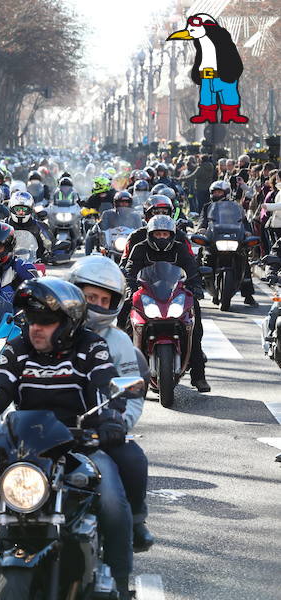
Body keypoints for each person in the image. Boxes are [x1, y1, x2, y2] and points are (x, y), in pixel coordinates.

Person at [0, 277, 134, 599]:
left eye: (46, 322)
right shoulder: (18, 347)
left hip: (80, 442)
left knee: (112, 498)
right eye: (32, 320)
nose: (36, 328)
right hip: (27, 446)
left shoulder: (90, 346)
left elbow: (107, 385)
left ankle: (118, 580)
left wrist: (111, 420)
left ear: (68, 323)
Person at [68, 256, 155, 552]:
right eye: (89, 296)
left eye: (104, 300)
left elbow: (132, 395)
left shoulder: (118, 342)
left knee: (133, 460)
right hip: (48, 426)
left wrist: (118, 423)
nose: (96, 304)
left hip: (100, 430)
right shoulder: (48, 329)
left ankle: (136, 522)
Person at [124, 215, 209, 392]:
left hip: (175, 296)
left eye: (165, 234)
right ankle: (125, 369)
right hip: (147, 295)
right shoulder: (139, 248)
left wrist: (196, 287)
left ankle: (199, 376)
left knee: (195, 327)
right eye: (158, 234)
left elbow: (192, 271)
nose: (162, 238)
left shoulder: (180, 249)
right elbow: (129, 273)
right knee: (125, 317)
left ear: (171, 235)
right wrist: (129, 289)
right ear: (150, 234)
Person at [198, 180, 258, 306]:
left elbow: (243, 221)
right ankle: (195, 288)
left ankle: (248, 295)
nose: (216, 194)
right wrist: (201, 229)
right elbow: (203, 220)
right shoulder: (208, 206)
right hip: (214, 238)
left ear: (226, 193)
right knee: (201, 255)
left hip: (232, 238)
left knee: (244, 261)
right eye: (214, 192)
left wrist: (247, 231)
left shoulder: (235, 206)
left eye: (219, 192)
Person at [6, 191, 52, 261]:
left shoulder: (39, 226)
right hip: (8, 262)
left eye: (24, 209)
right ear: (11, 208)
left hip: (34, 263)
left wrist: (49, 252)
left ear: (30, 210)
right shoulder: (4, 225)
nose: (21, 212)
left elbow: (49, 243)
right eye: (17, 209)